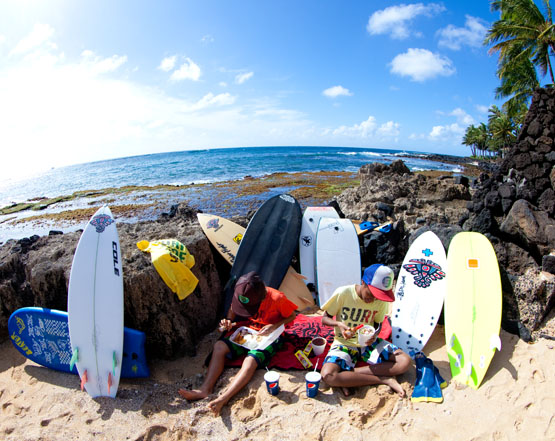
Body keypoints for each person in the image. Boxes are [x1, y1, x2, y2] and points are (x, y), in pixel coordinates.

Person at [178, 271, 297, 415]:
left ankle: (224, 398)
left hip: (272, 334)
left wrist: (274, 325)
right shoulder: (242, 290)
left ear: (263, 297)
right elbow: (234, 308)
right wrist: (229, 320)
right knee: (219, 346)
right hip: (249, 330)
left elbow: (292, 316)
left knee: (250, 360)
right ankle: (205, 389)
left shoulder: (277, 298)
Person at [320, 264, 411, 397]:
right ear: (363, 282)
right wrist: (338, 324)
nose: (373, 299)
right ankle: (382, 379)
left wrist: (375, 334)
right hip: (344, 343)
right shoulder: (344, 293)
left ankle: (350, 375)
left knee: (405, 361)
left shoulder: (380, 301)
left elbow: (378, 324)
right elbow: (325, 319)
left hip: (367, 343)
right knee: (328, 375)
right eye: (371, 293)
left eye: (378, 296)